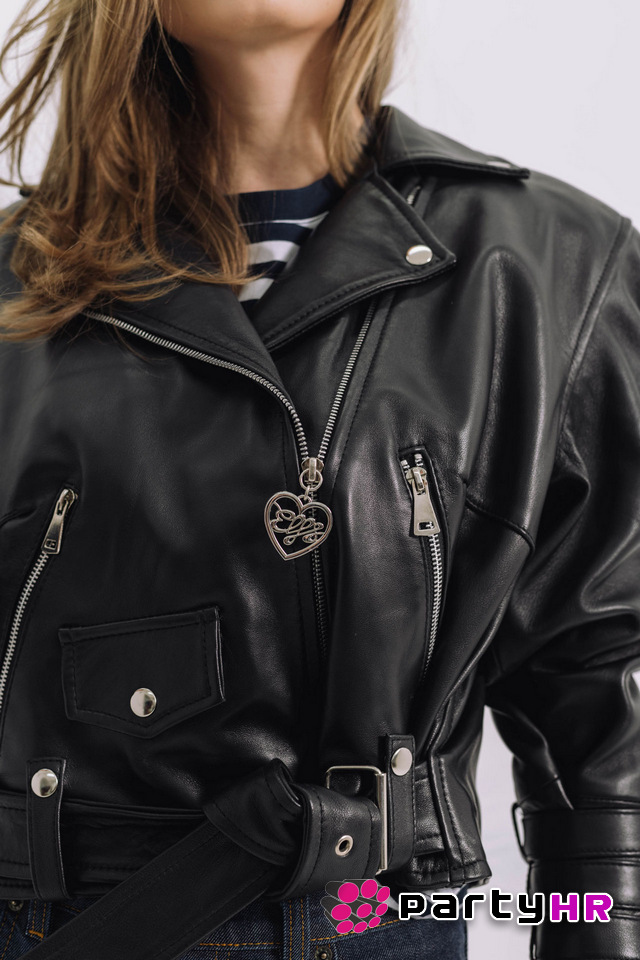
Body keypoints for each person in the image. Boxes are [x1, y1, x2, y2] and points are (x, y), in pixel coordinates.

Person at [0, 0, 637, 958]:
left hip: (384, 919)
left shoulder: (550, 264)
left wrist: (598, 929)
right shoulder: (21, 283)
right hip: (72, 925)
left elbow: (603, 684)